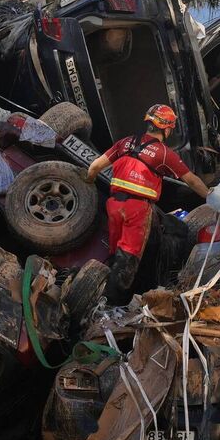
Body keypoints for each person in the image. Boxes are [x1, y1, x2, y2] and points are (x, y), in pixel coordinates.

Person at [85, 104, 209, 301]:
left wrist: (89, 184)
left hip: (114, 205)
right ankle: (111, 306)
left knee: (116, 253)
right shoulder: (164, 154)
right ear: (167, 128)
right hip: (137, 209)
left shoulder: (124, 143)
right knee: (128, 258)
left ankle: (101, 295)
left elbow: (94, 168)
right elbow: (191, 180)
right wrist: (210, 195)